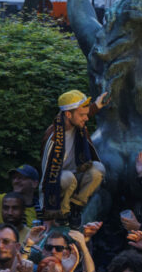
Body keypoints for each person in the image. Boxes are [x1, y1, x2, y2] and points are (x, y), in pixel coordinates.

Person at [39, 90, 106, 221]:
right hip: (57, 182)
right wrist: (47, 206)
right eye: (82, 115)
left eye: (86, 114)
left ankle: (76, 206)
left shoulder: (79, 127)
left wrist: (97, 105)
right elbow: (46, 174)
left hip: (76, 176)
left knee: (98, 169)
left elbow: (83, 113)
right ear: (68, 114)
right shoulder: (53, 137)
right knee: (68, 178)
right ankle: (63, 212)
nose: (86, 118)